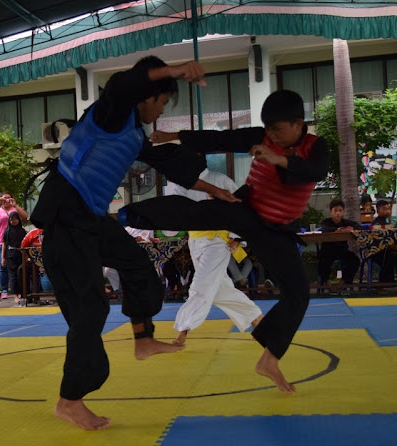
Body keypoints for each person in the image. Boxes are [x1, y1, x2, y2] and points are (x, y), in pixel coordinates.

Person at [30, 55, 209, 430]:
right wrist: (175, 69)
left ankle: (142, 338)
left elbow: (172, 164)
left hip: (91, 220)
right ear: (146, 94)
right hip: (65, 217)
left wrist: (216, 193)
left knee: (138, 266)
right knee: (90, 312)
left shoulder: (133, 134)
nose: (160, 110)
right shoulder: (112, 112)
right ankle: (70, 400)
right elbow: (120, 85)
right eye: (161, 101)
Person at [120, 89, 329, 395]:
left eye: (278, 131)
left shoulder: (315, 146)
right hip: (247, 210)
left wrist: (278, 158)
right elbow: (221, 139)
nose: (272, 136)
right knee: (200, 213)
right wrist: (174, 136)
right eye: (268, 130)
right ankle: (126, 217)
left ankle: (269, 360)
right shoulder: (262, 135)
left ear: (299, 124)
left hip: (277, 229)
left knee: (298, 294)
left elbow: (318, 171)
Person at [169, 169, 263, 346]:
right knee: (220, 291)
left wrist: (238, 236)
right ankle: (258, 319)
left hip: (218, 242)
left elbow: (242, 207)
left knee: (201, 284)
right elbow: (176, 210)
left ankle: (183, 331)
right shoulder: (181, 183)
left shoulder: (220, 180)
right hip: (195, 240)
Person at [0, 192, 28, 299]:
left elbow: (25, 217)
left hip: (16, 244)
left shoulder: (14, 210)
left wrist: (15, 205)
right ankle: (4, 290)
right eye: (3, 198)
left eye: (8, 198)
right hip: (2, 242)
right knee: (3, 267)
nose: (6, 200)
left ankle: (18, 290)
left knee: (18, 268)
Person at [318, 199, 362, 289]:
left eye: (340, 211)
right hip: (328, 251)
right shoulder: (326, 222)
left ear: (343, 212)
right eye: (335, 211)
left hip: (342, 250)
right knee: (323, 261)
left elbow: (358, 226)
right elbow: (325, 229)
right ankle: (326, 281)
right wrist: (337, 230)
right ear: (331, 212)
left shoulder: (346, 222)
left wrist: (350, 228)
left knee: (354, 260)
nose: (338, 213)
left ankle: (345, 281)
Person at [1, 211, 27, 304]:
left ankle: (23, 293)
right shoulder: (7, 231)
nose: (14, 221)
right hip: (10, 255)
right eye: (12, 219)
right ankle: (15, 294)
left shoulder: (22, 230)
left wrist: (26, 255)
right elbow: (4, 244)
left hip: (21, 254)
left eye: (16, 219)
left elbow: (26, 243)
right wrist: (3, 258)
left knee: (21, 273)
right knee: (12, 275)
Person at [368, 200, 396, 283]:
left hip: (387, 250)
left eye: (388, 209)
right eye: (384, 209)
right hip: (376, 252)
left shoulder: (388, 223)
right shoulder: (376, 224)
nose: (387, 211)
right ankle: (385, 282)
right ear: (378, 211)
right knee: (389, 255)